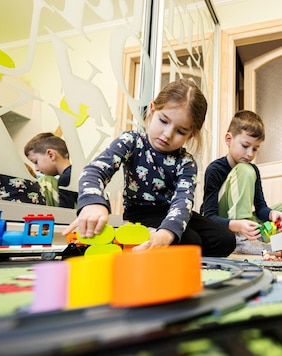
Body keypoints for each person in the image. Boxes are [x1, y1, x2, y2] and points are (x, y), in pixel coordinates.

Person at [64, 79, 236, 257]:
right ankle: (166, 253)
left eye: (180, 131)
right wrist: (93, 202)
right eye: (163, 121)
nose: (167, 134)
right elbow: (94, 171)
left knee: (225, 239)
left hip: (174, 211)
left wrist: (166, 233)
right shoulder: (132, 141)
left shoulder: (186, 162)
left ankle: (177, 254)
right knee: (190, 241)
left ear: (190, 134)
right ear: (152, 110)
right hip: (141, 213)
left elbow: (182, 202)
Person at [201, 110, 282, 255]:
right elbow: (209, 216)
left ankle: (253, 237)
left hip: (242, 221)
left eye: (255, 149)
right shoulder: (215, 169)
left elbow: (261, 207)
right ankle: (242, 240)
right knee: (244, 170)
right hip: (222, 222)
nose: (250, 154)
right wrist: (237, 225)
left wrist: (272, 214)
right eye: (245, 146)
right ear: (229, 139)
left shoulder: (253, 170)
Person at [24, 132, 78, 209]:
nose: (36, 169)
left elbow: (66, 213)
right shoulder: (78, 173)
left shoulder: (65, 180)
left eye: (36, 162)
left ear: (51, 155)